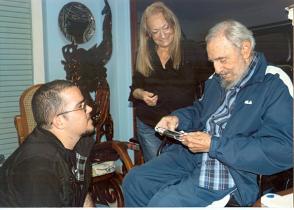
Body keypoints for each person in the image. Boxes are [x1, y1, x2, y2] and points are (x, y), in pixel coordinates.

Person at [122, 20, 293, 207]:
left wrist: (214, 145)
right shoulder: (218, 80)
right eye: (213, 62)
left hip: (231, 167)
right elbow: (200, 110)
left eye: (222, 59)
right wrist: (178, 118)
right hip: (192, 154)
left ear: (245, 49)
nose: (217, 70)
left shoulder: (273, 86)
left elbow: (284, 149)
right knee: (135, 181)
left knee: (164, 202)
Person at [0, 80, 95, 207]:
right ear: (59, 121)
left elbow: (82, 194)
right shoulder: (38, 168)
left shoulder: (81, 144)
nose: (89, 108)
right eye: (80, 106)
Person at [129, 1, 199, 162]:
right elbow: (135, 88)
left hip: (180, 125)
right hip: (149, 126)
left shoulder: (191, 50)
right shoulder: (145, 54)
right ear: (149, 34)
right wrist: (142, 95)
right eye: (155, 31)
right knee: (156, 171)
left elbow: (213, 82)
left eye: (165, 28)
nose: (162, 35)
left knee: (179, 171)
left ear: (173, 25)